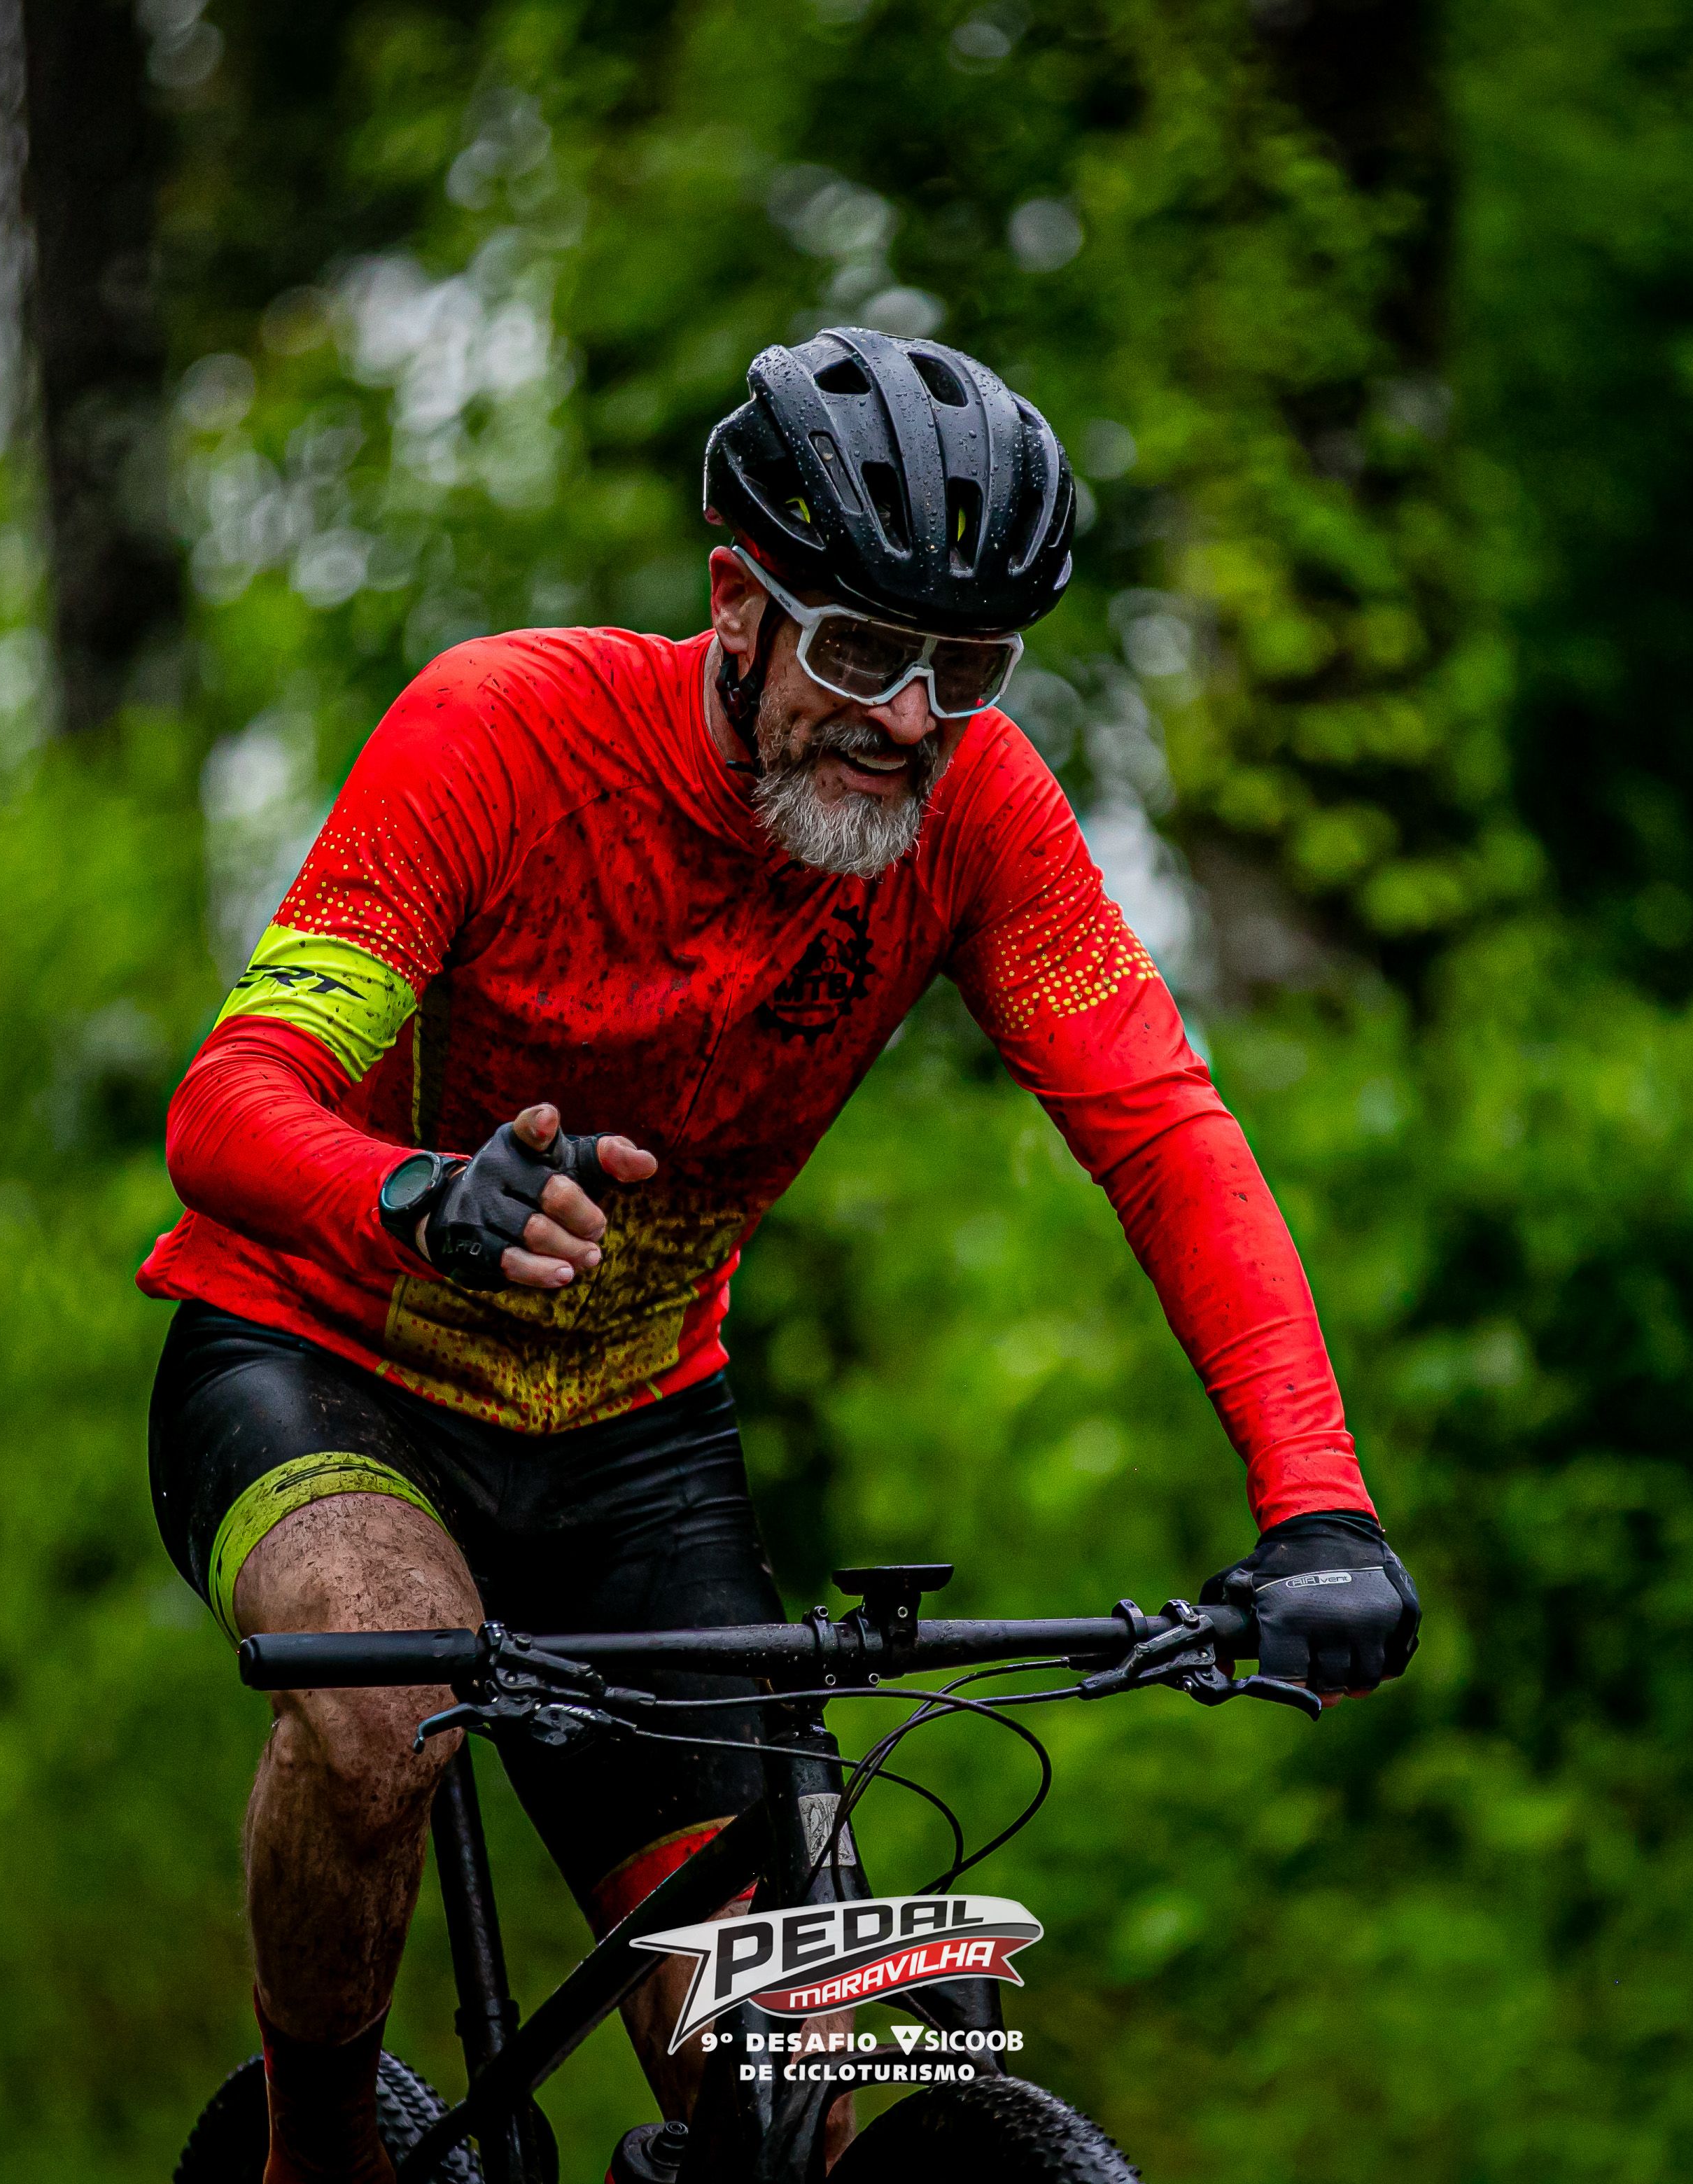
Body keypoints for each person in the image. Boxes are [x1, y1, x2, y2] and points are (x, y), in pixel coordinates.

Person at [138, 325, 1421, 2184]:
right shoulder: (505, 730)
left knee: (782, 2099)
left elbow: (1160, 1128)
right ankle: (314, 2153)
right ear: (736, 605)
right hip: (325, 1359)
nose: (912, 718)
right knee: (376, 1703)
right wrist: (416, 1198)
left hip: (629, 1439)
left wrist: (1320, 1509)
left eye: (966, 669)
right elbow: (230, 1102)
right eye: (864, 652)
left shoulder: (977, 814)